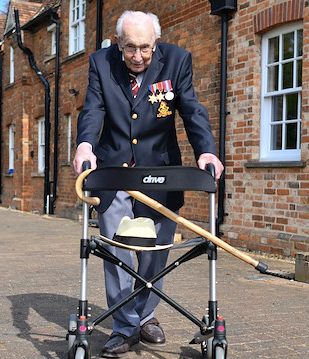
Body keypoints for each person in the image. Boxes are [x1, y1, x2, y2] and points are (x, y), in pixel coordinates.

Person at [73, 11, 224, 358]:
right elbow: (93, 110)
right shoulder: (100, 62)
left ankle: (147, 316)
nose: (138, 56)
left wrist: (206, 153)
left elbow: (191, 109)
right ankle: (125, 327)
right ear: (117, 43)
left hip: (161, 169)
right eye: (130, 48)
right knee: (117, 250)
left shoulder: (178, 60)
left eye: (145, 48)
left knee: (157, 252)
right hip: (113, 171)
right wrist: (84, 145)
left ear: (156, 43)